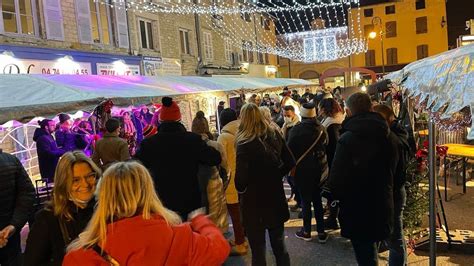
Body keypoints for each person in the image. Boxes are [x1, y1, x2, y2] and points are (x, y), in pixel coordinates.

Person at [63, 161, 230, 265]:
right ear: (149, 192)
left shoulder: (83, 256)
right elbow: (219, 248)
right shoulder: (181, 237)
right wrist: (201, 221)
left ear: (104, 197)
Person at [327, 93, 396, 266]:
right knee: (372, 250)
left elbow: (336, 178)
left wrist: (335, 199)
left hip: (357, 206)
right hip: (382, 201)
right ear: (371, 108)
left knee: (365, 256)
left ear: (349, 112)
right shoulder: (388, 135)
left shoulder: (348, 139)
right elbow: (396, 169)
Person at [135, 97, 221, 220]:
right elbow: (215, 158)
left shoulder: (148, 144)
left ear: (160, 120)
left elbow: (135, 166)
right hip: (190, 201)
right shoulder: (193, 140)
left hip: (161, 204)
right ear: (179, 119)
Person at [235, 103, 295, 266]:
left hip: (254, 205)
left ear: (243, 119)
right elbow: (290, 161)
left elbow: (240, 183)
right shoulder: (274, 133)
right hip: (275, 198)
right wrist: (275, 175)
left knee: (259, 251)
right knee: (280, 248)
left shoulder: (243, 144)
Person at [24, 151, 100, 266]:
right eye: (76, 180)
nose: (85, 184)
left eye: (89, 176)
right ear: (63, 183)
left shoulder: (104, 209)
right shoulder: (48, 219)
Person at [374, 104, 411, 266]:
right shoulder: (393, 134)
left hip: (394, 191)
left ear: (387, 119)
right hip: (389, 190)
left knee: (395, 237)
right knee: (390, 235)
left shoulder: (396, 137)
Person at [287, 103, 329, 243]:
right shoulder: (322, 128)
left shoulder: (296, 130)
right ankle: (321, 232)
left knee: (305, 201)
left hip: (303, 171)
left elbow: (289, 150)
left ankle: (306, 232)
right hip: (319, 170)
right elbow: (326, 145)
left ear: (302, 115)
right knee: (317, 200)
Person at [217, 108, 249, 255]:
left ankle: (240, 243)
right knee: (244, 211)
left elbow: (221, 162)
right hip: (246, 178)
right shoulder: (245, 131)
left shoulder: (224, 137)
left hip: (231, 181)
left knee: (235, 215)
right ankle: (243, 238)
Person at [191, 112, 229, 233]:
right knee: (216, 220)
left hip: (195, 185)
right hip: (214, 183)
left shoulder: (189, 146)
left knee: (201, 222)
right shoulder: (216, 145)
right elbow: (226, 168)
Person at [0, 150, 35, 265]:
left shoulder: (11, 162)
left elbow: (27, 193)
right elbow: (27, 194)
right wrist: (13, 225)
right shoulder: (11, 161)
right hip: (9, 236)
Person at [318, 98, 345, 229]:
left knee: (333, 191)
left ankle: (333, 218)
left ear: (325, 109)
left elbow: (333, 146)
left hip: (333, 162)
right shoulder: (340, 120)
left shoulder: (331, 125)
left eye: (320, 107)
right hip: (337, 161)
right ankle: (331, 213)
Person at [281, 105, 301, 211]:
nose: (286, 117)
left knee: (294, 180)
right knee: (290, 179)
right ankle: (297, 198)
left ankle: (299, 201)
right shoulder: (285, 125)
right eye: (284, 115)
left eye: (288, 115)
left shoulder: (297, 125)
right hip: (287, 157)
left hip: (295, 158)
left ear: (293, 114)